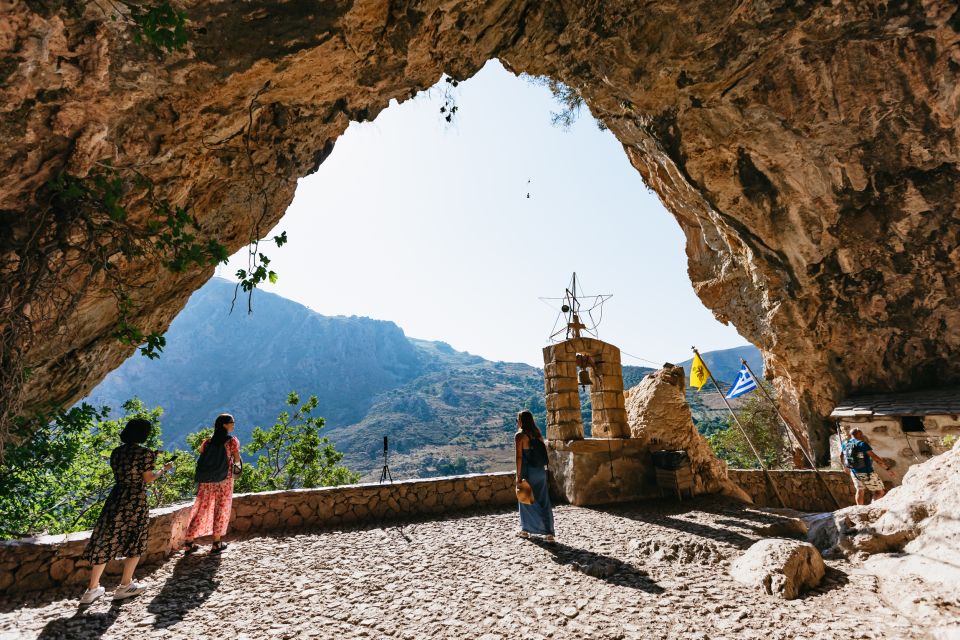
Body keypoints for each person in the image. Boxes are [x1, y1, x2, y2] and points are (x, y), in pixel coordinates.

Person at [80, 418, 174, 604]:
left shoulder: (116, 452)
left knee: (106, 538)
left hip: (116, 497)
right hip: (135, 499)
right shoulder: (146, 454)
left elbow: (130, 465)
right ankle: (125, 585)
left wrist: (152, 456)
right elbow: (147, 478)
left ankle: (91, 590)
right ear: (143, 434)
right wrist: (163, 469)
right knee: (135, 539)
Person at [183, 413, 240, 553]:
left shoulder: (207, 442)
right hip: (224, 480)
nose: (234, 424)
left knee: (202, 508)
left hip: (207, 480)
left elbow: (203, 456)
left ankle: (189, 542)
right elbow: (237, 460)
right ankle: (216, 543)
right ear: (224, 425)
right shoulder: (231, 441)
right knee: (221, 508)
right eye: (232, 422)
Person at [515, 410, 555, 542]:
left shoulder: (520, 436)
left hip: (527, 472)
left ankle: (526, 530)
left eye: (517, 420)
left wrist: (518, 476)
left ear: (520, 421)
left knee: (526, 499)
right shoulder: (537, 435)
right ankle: (549, 533)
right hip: (539, 471)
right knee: (543, 500)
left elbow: (519, 457)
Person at [842, 428, 891, 505]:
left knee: (860, 490)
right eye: (861, 433)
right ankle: (872, 507)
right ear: (859, 434)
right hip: (867, 472)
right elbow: (875, 457)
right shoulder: (862, 444)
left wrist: (844, 467)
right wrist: (887, 469)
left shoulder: (845, 444)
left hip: (854, 472)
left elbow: (842, 455)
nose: (862, 434)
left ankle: (860, 509)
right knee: (880, 491)